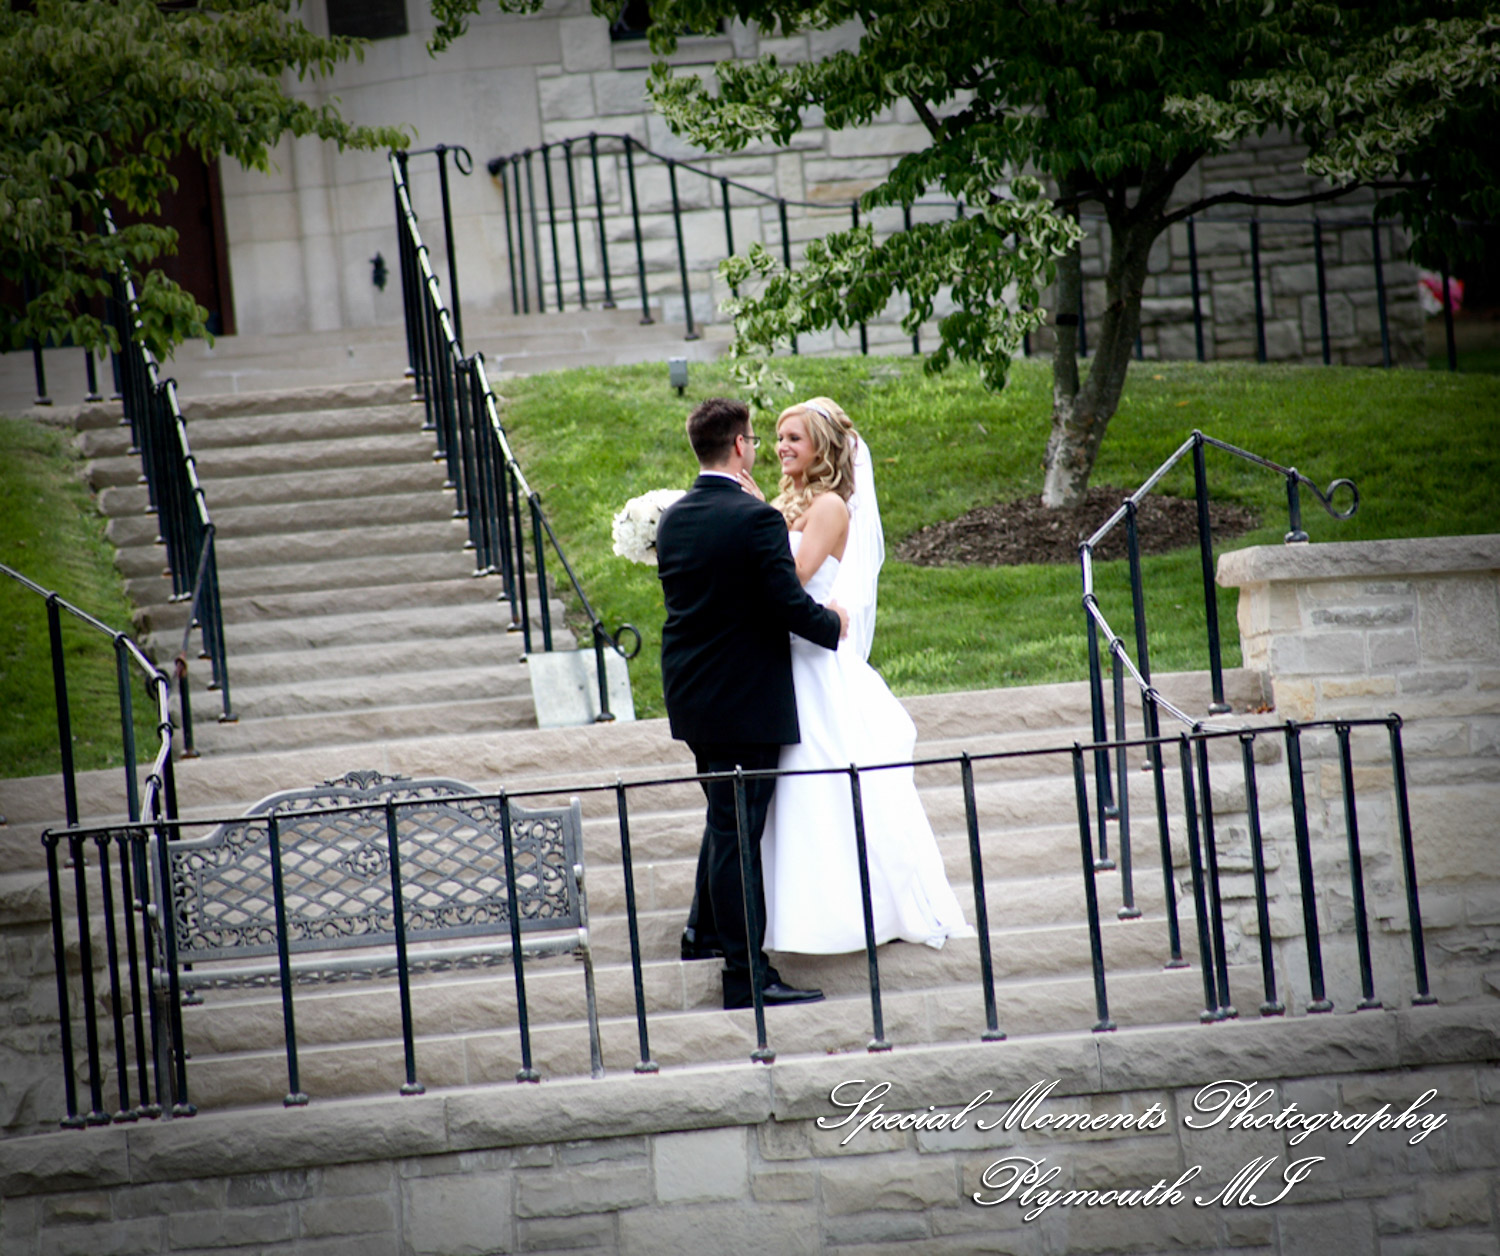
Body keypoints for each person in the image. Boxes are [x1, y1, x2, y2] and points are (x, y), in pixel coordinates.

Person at [751, 397, 973, 954]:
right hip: (787, 663)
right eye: (779, 437)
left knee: (822, 785)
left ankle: (855, 915)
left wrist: (752, 525)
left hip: (815, 665)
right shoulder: (786, 503)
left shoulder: (829, 508)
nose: (781, 447)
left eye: (794, 438)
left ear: (821, 447)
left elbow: (794, 576)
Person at [656, 397, 849, 1010]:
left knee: (724, 820)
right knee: (740, 834)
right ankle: (745, 977)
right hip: (746, 700)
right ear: (739, 446)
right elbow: (785, 604)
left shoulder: (674, 518)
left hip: (694, 698)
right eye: (756, 440)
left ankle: (703, 933)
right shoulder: (754, 519)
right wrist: (834, 624)